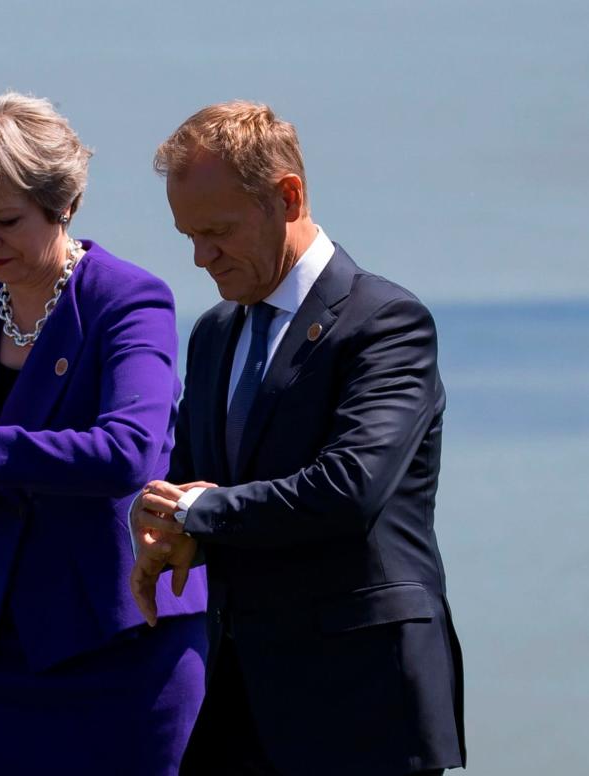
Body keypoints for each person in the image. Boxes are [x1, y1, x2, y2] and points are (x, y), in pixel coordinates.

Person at [130, 101, 465, 775]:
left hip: (363, 707)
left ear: (288, 196)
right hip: (241, 700)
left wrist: (198, 510)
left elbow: (349, 490)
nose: (200, 257)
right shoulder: (216, 333)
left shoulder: (386, 322)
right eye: (187, 236)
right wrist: (166, 526)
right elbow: (198, 478)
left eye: (217, 231)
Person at [0, 93, 207, 774]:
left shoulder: (130, 299)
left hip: (120, 643)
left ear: (64, 206)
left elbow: (128, 453)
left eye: (5, 220)